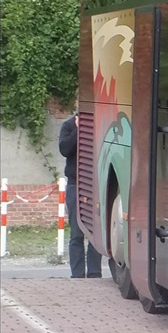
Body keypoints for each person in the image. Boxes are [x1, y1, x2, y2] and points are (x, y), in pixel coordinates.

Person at [59, 106, 102, 278]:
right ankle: (77, 275)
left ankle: (94, 273)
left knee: (94, 232)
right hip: (75, 185)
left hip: (95, 185)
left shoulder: (98, 125)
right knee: (76, 233)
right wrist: (78, 130)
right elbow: (64, 149)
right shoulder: (68, 126)